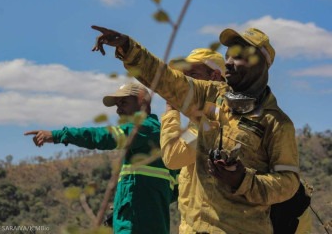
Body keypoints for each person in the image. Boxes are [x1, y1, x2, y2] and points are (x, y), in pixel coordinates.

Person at [91, 26, 311, 233]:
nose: (230, 63)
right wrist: (129, 48)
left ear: (260, 64)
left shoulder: (276, 123)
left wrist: (243, 180)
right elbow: (167, 80)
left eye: (239, 57)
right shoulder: (209, 96)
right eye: (228, 57)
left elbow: (288, 182)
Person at [24, 82, 177, 234]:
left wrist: (58, 135)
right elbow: (174, 187)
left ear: (142, 101)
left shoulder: (144, 128)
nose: (118, 110)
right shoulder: (159, 136)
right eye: (117, 105)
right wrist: (132, 205)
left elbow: (105, 137)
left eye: (123, 103)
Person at [160, 48, 226, 234]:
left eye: (193, 75)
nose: (184, 82)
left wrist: (171, 109)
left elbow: (173, 157)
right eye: (184, 75)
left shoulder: (213, 121)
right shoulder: (203, 119)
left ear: (214, 76)